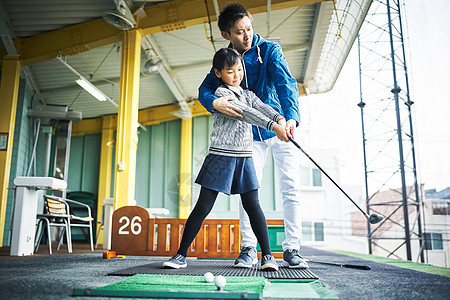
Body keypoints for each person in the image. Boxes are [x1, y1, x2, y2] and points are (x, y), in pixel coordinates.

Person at [198, 3, 308, 269]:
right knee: (250, 191)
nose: (247, 35)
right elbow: (205, 89)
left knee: (290, 186)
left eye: (249, 28)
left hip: (282, 127)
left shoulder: (270, 50)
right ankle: (248, 248)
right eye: (239, 31)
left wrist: (291, 118)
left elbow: (286, 84)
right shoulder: (227, 59)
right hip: (250, 136)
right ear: (227, 35)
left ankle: (292, 249)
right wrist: (213, 102)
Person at [163, 48, 289, 271]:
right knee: (203, 206)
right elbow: (246, 113)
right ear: (218, 73)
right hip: (220, 156)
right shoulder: (222, 94)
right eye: (230, 71)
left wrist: (279, 117)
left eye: (239, 70)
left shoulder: (248, 94)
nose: (237, 75)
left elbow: (260, 106)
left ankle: (267, 257)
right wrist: (274, 127)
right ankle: (180, 255)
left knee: (254, 206)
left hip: (244, 158)